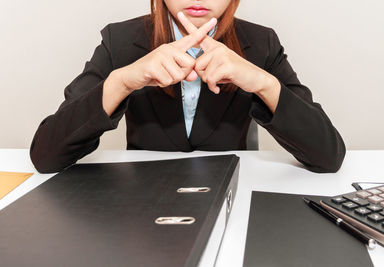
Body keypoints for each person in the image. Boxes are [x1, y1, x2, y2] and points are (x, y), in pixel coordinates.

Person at [30, 0, 346, 174]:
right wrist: (123, 81)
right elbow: (45, 155)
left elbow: (328, 156)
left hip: (237, 196)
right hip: (141, 209)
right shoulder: (120, 40)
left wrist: (263, 82)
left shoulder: (261, 42)